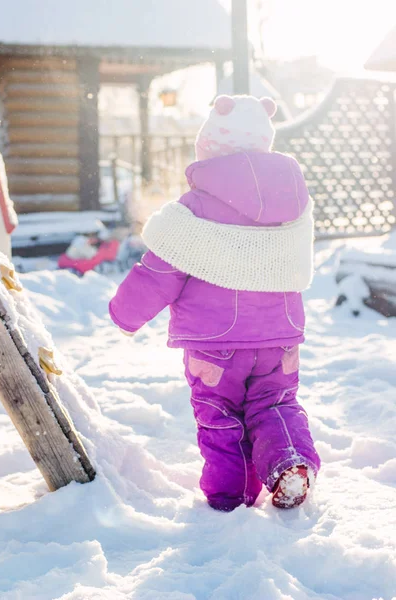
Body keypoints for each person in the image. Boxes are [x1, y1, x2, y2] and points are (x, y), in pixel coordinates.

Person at [109, 95, 320, 511]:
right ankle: (290, 462)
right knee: (275, 404)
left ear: (207, 148)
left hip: (214, 343)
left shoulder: (195, 208)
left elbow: (160, 272)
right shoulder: (294, 206)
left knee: (219, 413)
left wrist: (125, 313)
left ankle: (233, 496)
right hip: (280, 336)